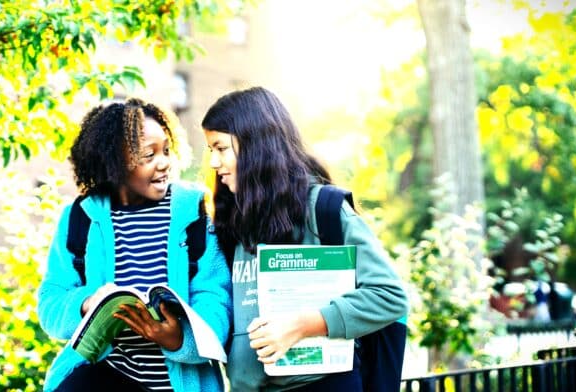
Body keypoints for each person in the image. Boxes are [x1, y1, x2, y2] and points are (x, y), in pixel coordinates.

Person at [201, 86, 408, 391]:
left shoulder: (322, 210)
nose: (214, 163)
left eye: (221, 148)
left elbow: (389, 295)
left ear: (254, 144)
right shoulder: (232, 219)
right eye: (210, 151)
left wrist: (303, 325)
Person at [37, 98, 232, 392]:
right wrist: (87, 303)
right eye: (148, 155)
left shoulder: (195, 212)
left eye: (166, 150)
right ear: (114, 162)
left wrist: (178, 338)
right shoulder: (79, 217)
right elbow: (51, 303)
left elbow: (217, 300)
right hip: (104, 378)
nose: (164, 162)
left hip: (179, 383)